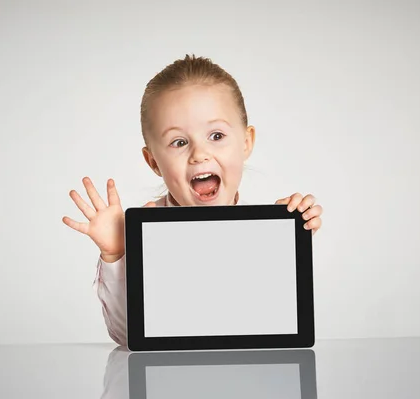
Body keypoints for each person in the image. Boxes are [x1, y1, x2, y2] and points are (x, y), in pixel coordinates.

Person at [62, 54, 323, 347]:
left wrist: (281, 244)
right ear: (154, 162)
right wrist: (118, 254)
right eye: (179, 142)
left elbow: (273, 328)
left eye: (216, 135)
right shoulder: (142, 238)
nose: (199, 154)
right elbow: (127, 336)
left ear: (246, 142)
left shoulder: (265, 234)